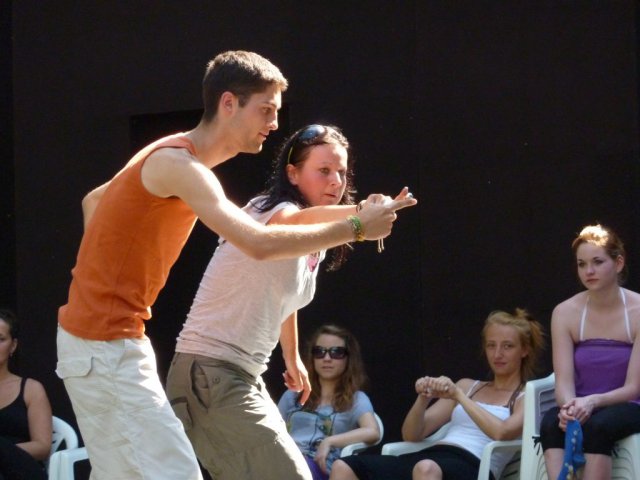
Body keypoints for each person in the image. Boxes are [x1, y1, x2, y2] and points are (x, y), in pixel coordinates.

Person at [56, 51, 416, 480]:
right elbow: (260, 243)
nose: (275, 123)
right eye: (265, 110)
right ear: (229, 103)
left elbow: (95, 201)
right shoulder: (178, 164)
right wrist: (357, 226)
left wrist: (104, 279)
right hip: (107, 345)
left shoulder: (170, 157)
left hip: (112, 342)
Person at [165, 122, 411, 480]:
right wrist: (360, 214)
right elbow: (297, 221)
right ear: (293, 174)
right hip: (209, 373)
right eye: (324, 171)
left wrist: (292, 356)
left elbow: (284, 296)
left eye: (342, 172)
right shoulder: (271, 210)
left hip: (237, 376)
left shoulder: (313, 240)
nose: (336, 182)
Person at [331, 309, 545, 480]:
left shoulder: (526, 395)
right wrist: (424, 398)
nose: (498, 354)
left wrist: (459, 397)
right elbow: (412, 435)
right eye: (491, 345)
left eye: (508, 346)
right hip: (433, 456)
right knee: (343, 466)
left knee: (426, 468)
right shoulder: (469, 386)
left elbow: (502, 433)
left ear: (524, 350)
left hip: (474, 466)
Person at [540, 224, 640, 480]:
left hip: (628, 404)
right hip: (583, 403)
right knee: (551, 423)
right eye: (582, 264)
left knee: (598, 427)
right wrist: (570, 407)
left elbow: (633, 388)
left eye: (598, 262)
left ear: (618, 263)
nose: (589, 271)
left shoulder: (638, 311)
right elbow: (563, 381)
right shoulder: (565, 312)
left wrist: (593, 401)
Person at [278, 324, 381, 480]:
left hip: (320, 467)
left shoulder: (356, 399)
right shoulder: (292, 395)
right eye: (319, 352)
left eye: (336, 352)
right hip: (283, 461)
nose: (327, 358)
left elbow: (373, 432)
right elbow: (271, 431)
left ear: (349, 358)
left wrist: (329, 441)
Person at [0, 309, 52, 480]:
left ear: (13, 345)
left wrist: (5, 452)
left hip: (21, 471)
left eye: (1, 339)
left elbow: (42, 446)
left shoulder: (31, 389)